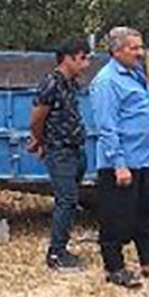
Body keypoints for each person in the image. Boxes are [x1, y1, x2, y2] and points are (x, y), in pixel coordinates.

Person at [90, 27, 149, 288]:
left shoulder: (136, 75)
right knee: (117, 216)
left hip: (145, 158)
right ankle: (114, 267)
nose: (139, 53)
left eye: (140, 47)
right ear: (116, 50)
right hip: (122, 163)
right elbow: (106, 127)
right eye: (133, 48)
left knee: (146, 212)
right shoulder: (107, 81)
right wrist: (119, 164)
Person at [28, 37, 92, 271]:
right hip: (60, 150)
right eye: (82, 58)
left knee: (71, 199)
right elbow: (37, 117)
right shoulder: (51, 83)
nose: (85, 64)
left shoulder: (71, 83)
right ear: (68, 58)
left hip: (75, 149)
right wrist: (40, 139)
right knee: (66, 200)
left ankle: (62, 247)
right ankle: (56, 253)